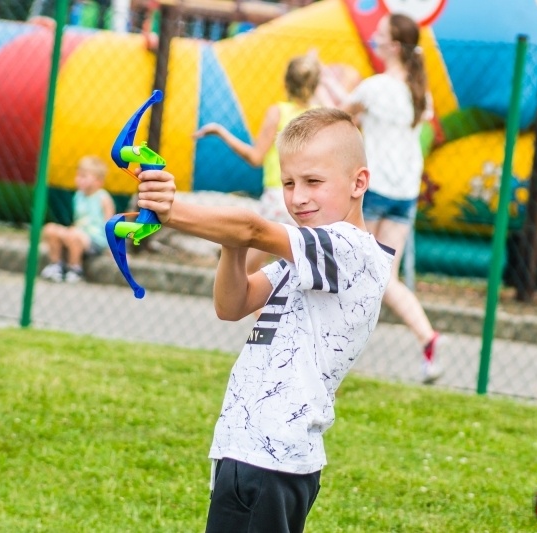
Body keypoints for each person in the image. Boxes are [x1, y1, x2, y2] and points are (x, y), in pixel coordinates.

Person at [136, 108, 394, 532]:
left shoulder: (349, 249)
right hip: (251, 449)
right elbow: (232, 304)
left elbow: (255, 229)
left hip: (272, 457)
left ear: (358, 183)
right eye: (289, 183)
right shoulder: (305, 260)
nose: (298, 197)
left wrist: (172, 210)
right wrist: (229, 242)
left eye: (314, 182)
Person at [320, 13, 447, 383]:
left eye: (380, 33)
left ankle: (332, 347)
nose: (373, 37)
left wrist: (327, 81)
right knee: (382, 275)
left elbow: (338, 116)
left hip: (373, 188)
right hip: (405, 191)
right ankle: (427, 338)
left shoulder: (374, 87)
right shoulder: (421, 93)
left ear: (393, 45)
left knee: (353, 264)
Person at [193, 53, 321, 276]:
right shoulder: (319, 116)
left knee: (247, 271)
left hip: (277, 197)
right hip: (308, 200)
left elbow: (255, 158)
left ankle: (258, 310)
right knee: (298, 269)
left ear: (286, 82)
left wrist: (221, 132)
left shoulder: (278, 112)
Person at [40, 155, 115, 283]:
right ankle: (56, 266)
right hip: (77, 234)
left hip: (95, 240)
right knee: (50, 229)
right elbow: (79, 220)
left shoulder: (103, 198)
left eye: (84, 176)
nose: (79, 179)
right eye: (78, 175)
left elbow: (111, 225)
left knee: (74, 234)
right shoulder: (78, 196)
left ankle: (75, 268)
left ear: (98, 181)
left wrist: (113, 249)